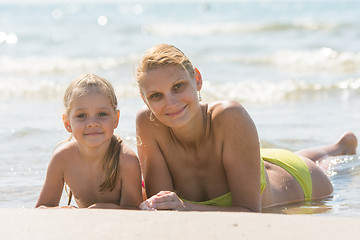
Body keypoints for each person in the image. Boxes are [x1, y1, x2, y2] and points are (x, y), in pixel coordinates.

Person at [135, 43, 358, 212]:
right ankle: (338, 146)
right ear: (145, 100)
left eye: (178, 86)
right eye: (156, 96)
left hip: (301, 178)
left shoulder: (228, 116)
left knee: (328, 166)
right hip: (254, 161)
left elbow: (249, 213)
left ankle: (339, 147)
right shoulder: (148, 123)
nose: (171, 102)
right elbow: (161, 207)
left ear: (197, 79)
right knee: (275, 159)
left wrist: (185, 208)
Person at [36, 73, 143, 209]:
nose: (92, 123)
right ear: (67, 123)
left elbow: (136, 211)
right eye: (82, 116)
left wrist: (102, 209)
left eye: (102, 114)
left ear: (116, 119)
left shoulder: (126, 160)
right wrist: (63, 211)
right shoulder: (62, 159)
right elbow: (42, 209)